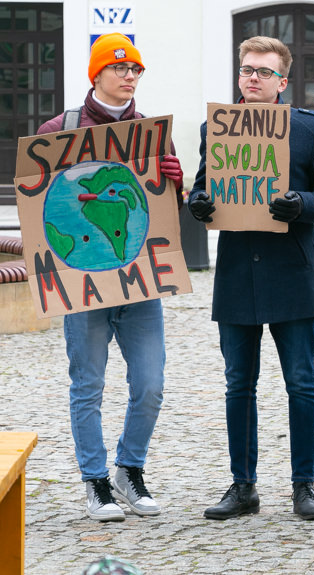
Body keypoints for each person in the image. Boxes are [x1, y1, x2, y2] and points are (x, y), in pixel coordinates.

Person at [188, 36, 314, 521]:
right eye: (247, 70)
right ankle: (243, 485)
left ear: (282, 81)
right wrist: (198, 205)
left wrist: (302, 205)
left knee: (302, 382)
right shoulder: (216, 128)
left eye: (264, 71)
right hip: (236, 273)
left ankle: (304, 486)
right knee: (238, 384)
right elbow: (200, 188)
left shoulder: (307, 130)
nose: (253, 78)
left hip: (290, 271)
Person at [35, 32, 184, 522]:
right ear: (96, 74)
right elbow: (39, 203)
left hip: (139, 282)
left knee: (150, 383)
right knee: (88, 384)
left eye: (135, 69)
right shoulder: (61, 129)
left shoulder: (150, 132)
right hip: (83, 282)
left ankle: (129, 469)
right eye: (119, 68)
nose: (129, 76)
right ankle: (95, 480)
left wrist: (173, 182)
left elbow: (165, 213)